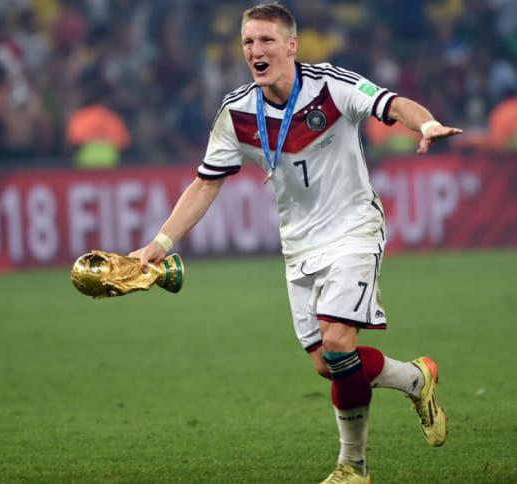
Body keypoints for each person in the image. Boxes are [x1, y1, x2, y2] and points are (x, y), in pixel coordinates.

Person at [129, 3, 462, 483]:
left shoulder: (332, 85)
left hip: (352, 229)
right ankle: (416, 377)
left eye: (266, 40)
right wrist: (160, 242)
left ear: (291, 45)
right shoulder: (237, 112)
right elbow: (205, 183)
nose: (255, 50)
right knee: (330, 365)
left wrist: (425, 123)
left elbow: (393, 104)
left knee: (338, 343)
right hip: (299, 246)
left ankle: (353, 467)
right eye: (248, 42)